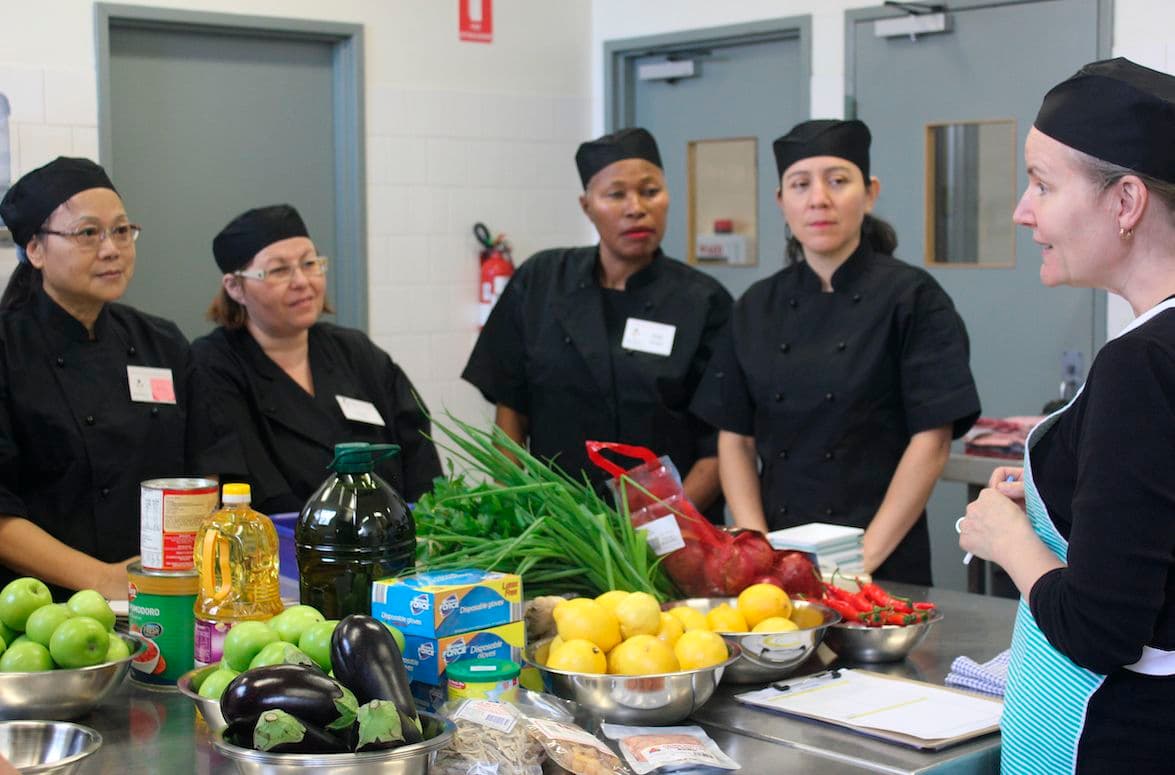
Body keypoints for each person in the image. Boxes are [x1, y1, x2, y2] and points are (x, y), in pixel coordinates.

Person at [959, 58, 1175, 773]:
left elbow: (1099, 628)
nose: (1023, 210)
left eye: (1042, 184)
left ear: (1125, 202)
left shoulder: (1140, 365)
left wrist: (1006, 538)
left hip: (1122, 738)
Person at [693, 120, 980, 583]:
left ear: (869, 193)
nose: (819, 199)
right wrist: (757, 548)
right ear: (781, 201)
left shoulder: (912, 298)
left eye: (838, 180)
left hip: (882, 557)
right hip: (777, 559)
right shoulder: (755, 307)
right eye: (800, 184)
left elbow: (932, 440)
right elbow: (736, 440)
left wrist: (860, 561)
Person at [462, 128, 732, 520]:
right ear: (587, 205)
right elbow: (511, 410)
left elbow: (722, 443)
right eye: (616, 194)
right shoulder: (540, 282)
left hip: (675, 533)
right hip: (555, 525)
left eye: (650, 191)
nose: (636, 207)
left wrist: (665, 523)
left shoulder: (705, 301)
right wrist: (512, 506)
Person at [0, 157, 205, 600]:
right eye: (88, 233)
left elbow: (205, 469)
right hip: (40, 608)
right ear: (35, 249)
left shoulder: (162, 342)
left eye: (121, 230)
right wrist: (103, 579)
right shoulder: (7, 347)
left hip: (161, 595)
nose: (112, 248)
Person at [191, 204, 441, 514]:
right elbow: (249, 485)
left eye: (310, 263)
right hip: (285, 550)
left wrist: (430, 524)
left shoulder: (357, 352)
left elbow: (420, 459)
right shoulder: (214, 365)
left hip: (393, 543)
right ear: (235, 287)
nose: (302, 281)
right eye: (279, 270)